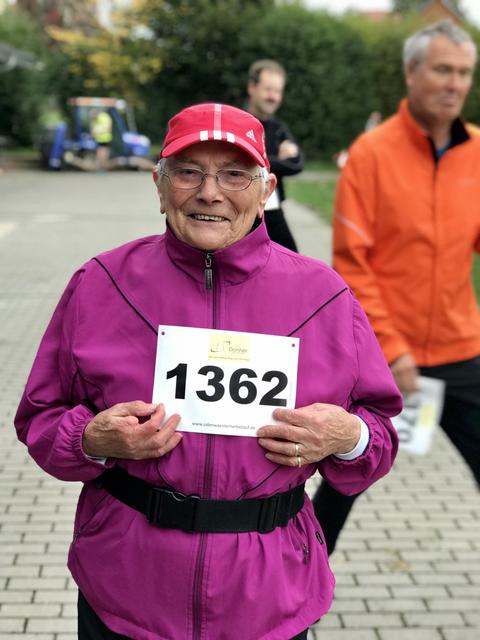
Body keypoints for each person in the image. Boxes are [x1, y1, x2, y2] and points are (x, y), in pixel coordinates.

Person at [15, 102, 401, 640]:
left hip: (269, 596)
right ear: (159, 186)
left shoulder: (324, 296)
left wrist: (347, 436)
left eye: (234, 174)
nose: (210, 193)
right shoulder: (102, 282)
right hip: (127, 592)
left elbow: (379, 438)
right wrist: (91, 440)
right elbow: (40, 419)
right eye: (189, 172)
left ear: (266, 191)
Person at [313, 19, 480, 556]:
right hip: (383, 360)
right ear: (411, 72)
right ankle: (297, 585)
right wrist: (393, 348)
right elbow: (351, 264)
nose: (455, 84)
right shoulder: (371, 154)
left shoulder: (478, 151)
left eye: (464, 73)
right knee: (347, 479)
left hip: (460, 349)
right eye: (443, 70)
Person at [246, 59, 304, 251]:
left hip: (271, 209)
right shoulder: (238, 122)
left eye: (277, 91)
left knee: (292, 260)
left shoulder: (279, 129)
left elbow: (296, 164)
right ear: (252, 88)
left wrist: (256, 160)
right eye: (268, 89)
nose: (272, 96)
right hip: (240, 209)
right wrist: (277, 160)